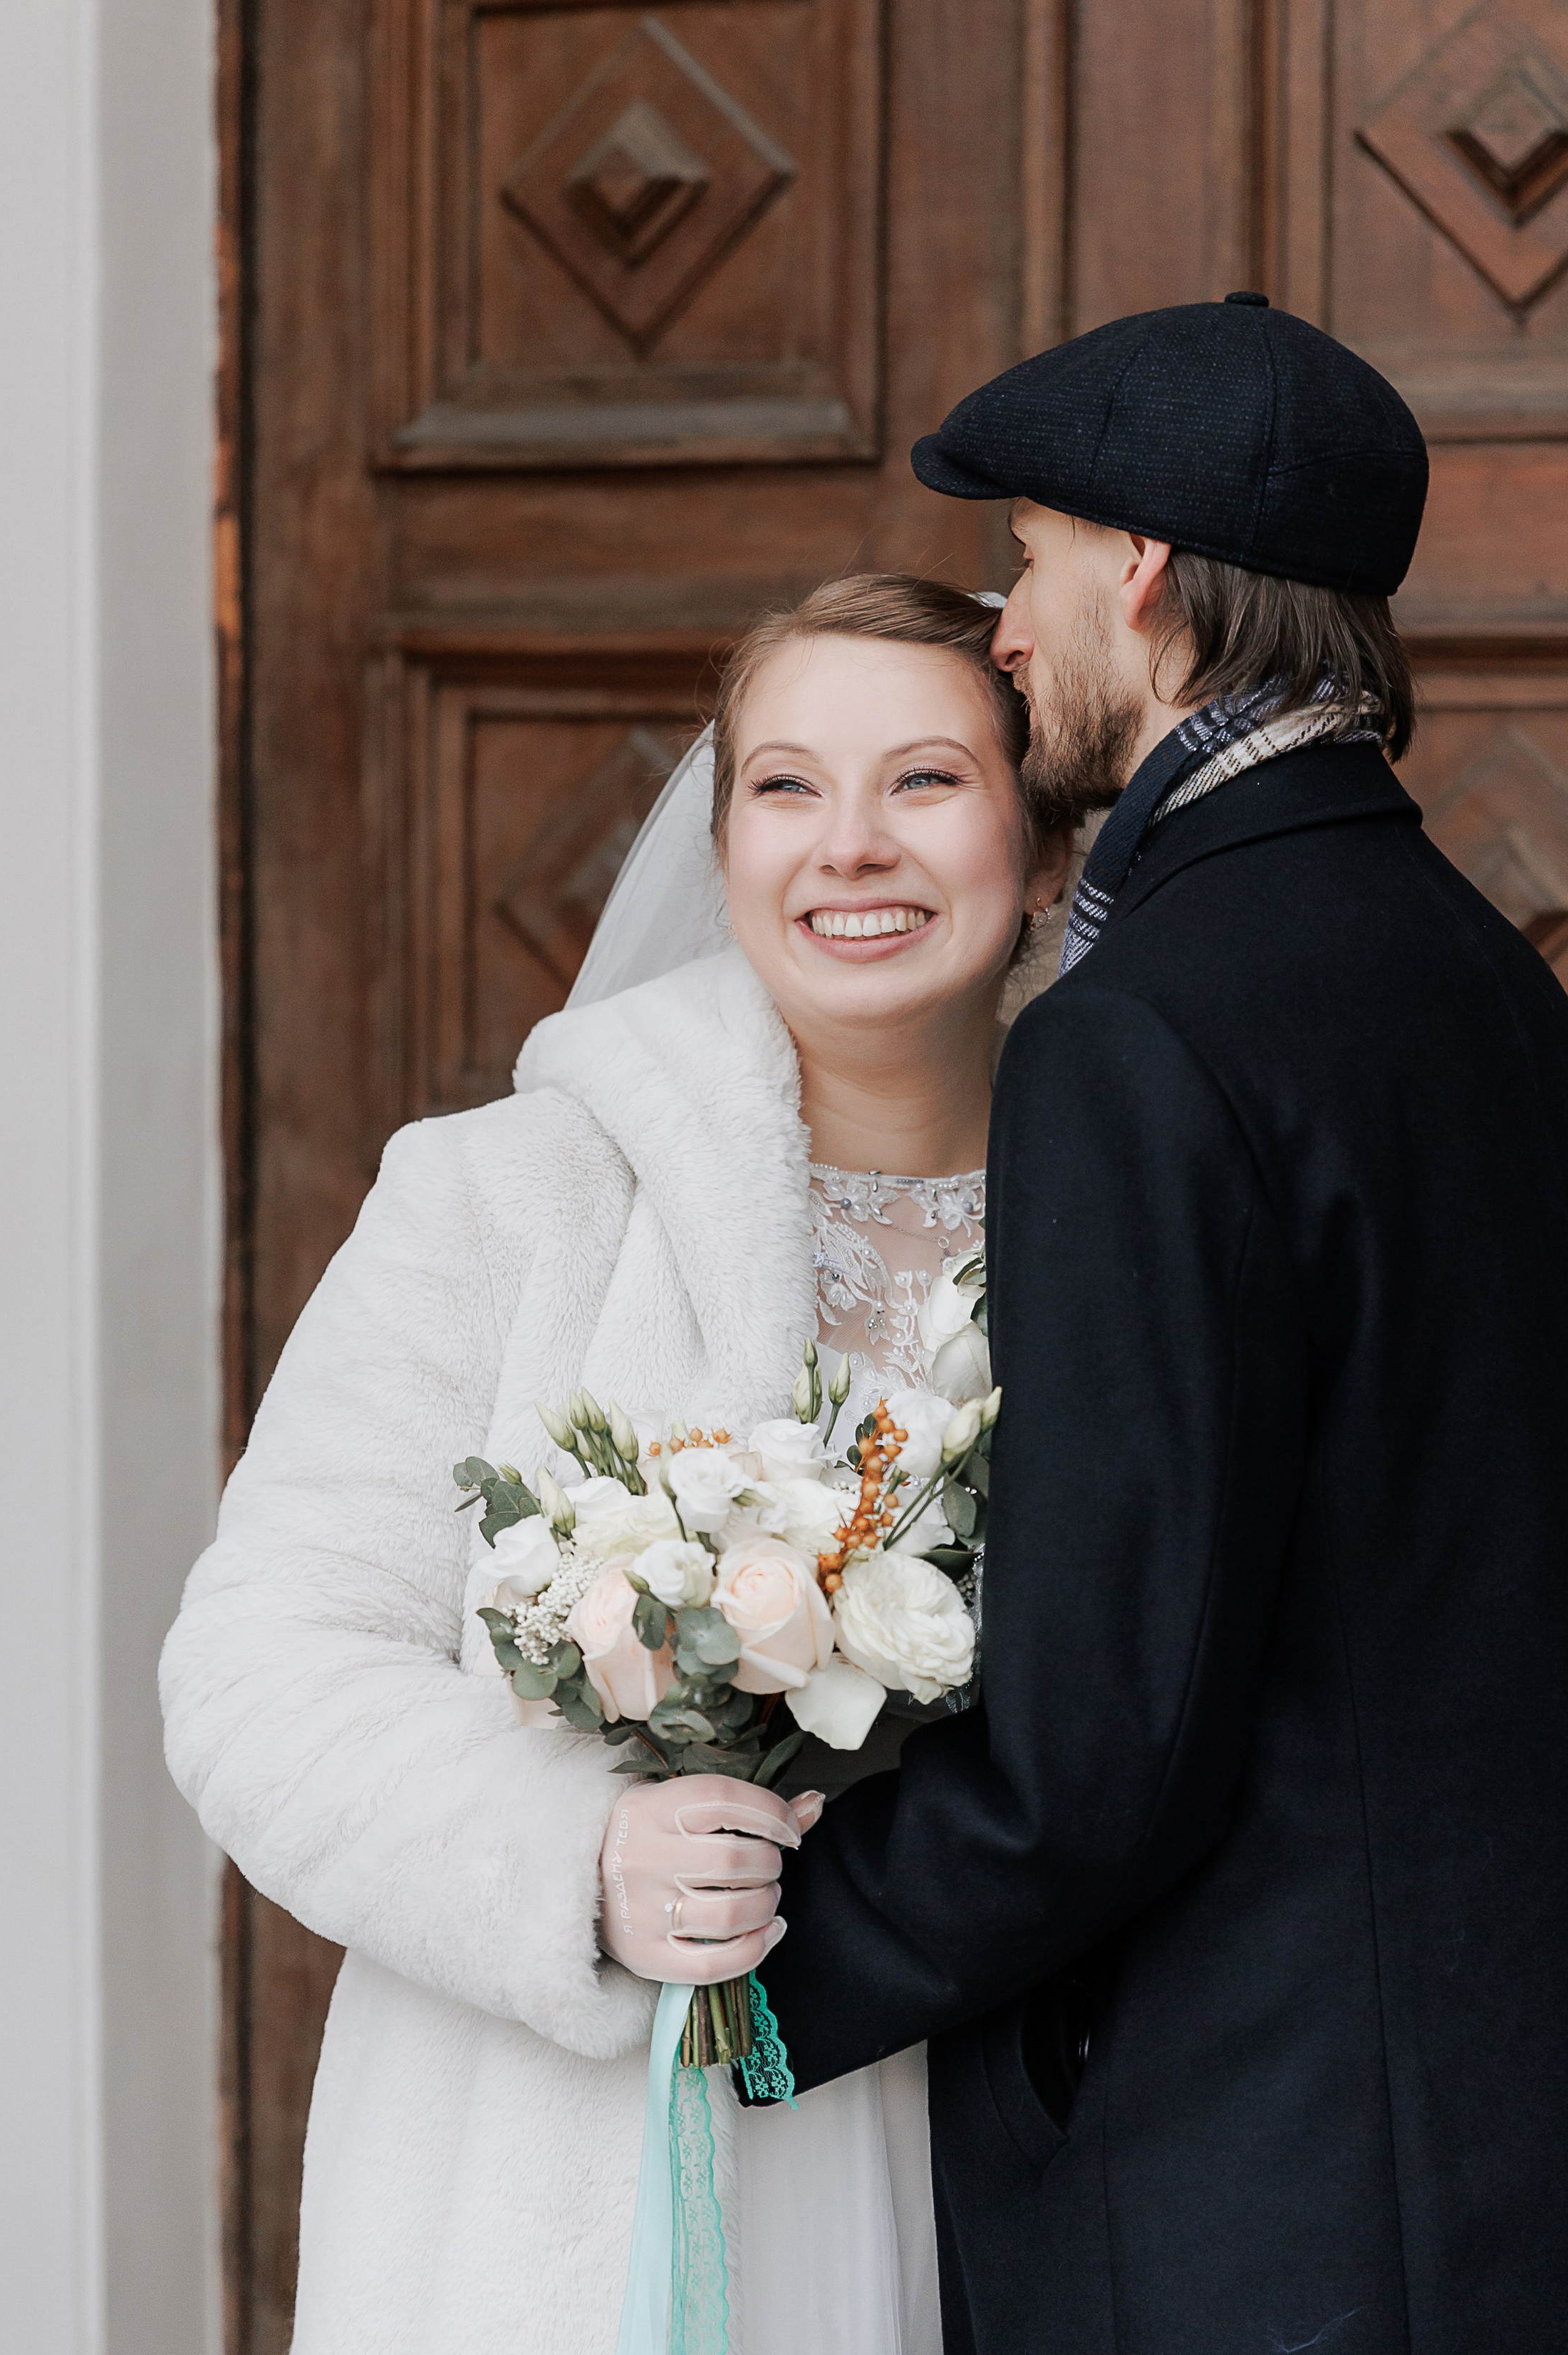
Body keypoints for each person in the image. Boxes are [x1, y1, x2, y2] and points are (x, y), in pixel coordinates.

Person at [734, 298, 1568, 2354]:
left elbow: (1104, 1740)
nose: (1007, 628)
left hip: (1273, 2195)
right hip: (1550, 2158)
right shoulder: (1486, 977)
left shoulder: (1143, 1035)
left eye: (1027, 558)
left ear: (1141, 570)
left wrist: (748, 1996)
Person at [157, 576, 1072, 2355]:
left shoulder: (1142, 1227)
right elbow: (259, 1665)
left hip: (1016, 2133)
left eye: (928, 783)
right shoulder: (506, 1197)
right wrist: (577, 1864)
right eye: (787, 786)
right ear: (720, 837)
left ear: (1042, 849)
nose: (848, 848)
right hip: (572, 2157)